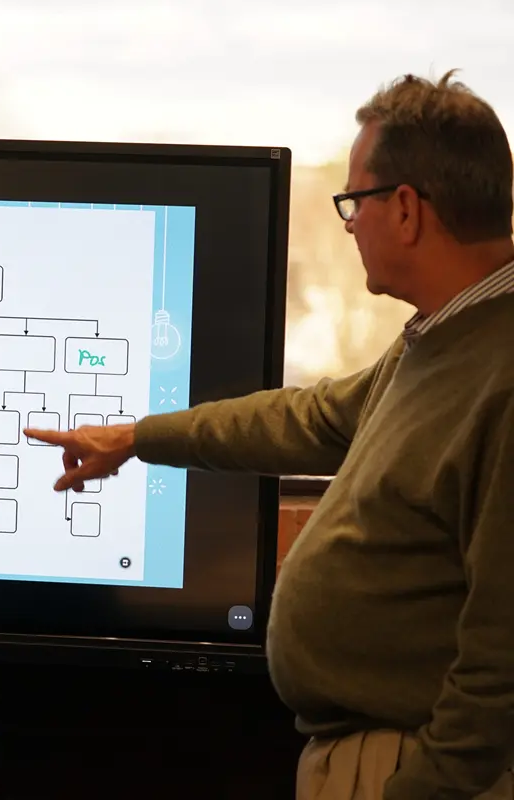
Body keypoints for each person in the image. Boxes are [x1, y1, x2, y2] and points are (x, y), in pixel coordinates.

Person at [27, 70, 514, 800]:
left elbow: (499, 659)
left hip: (412, 770)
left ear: (407, 209)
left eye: (355, 203)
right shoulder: (436, 341)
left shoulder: (499, 374)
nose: (350, 225)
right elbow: (305, 418)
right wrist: (135, 438)